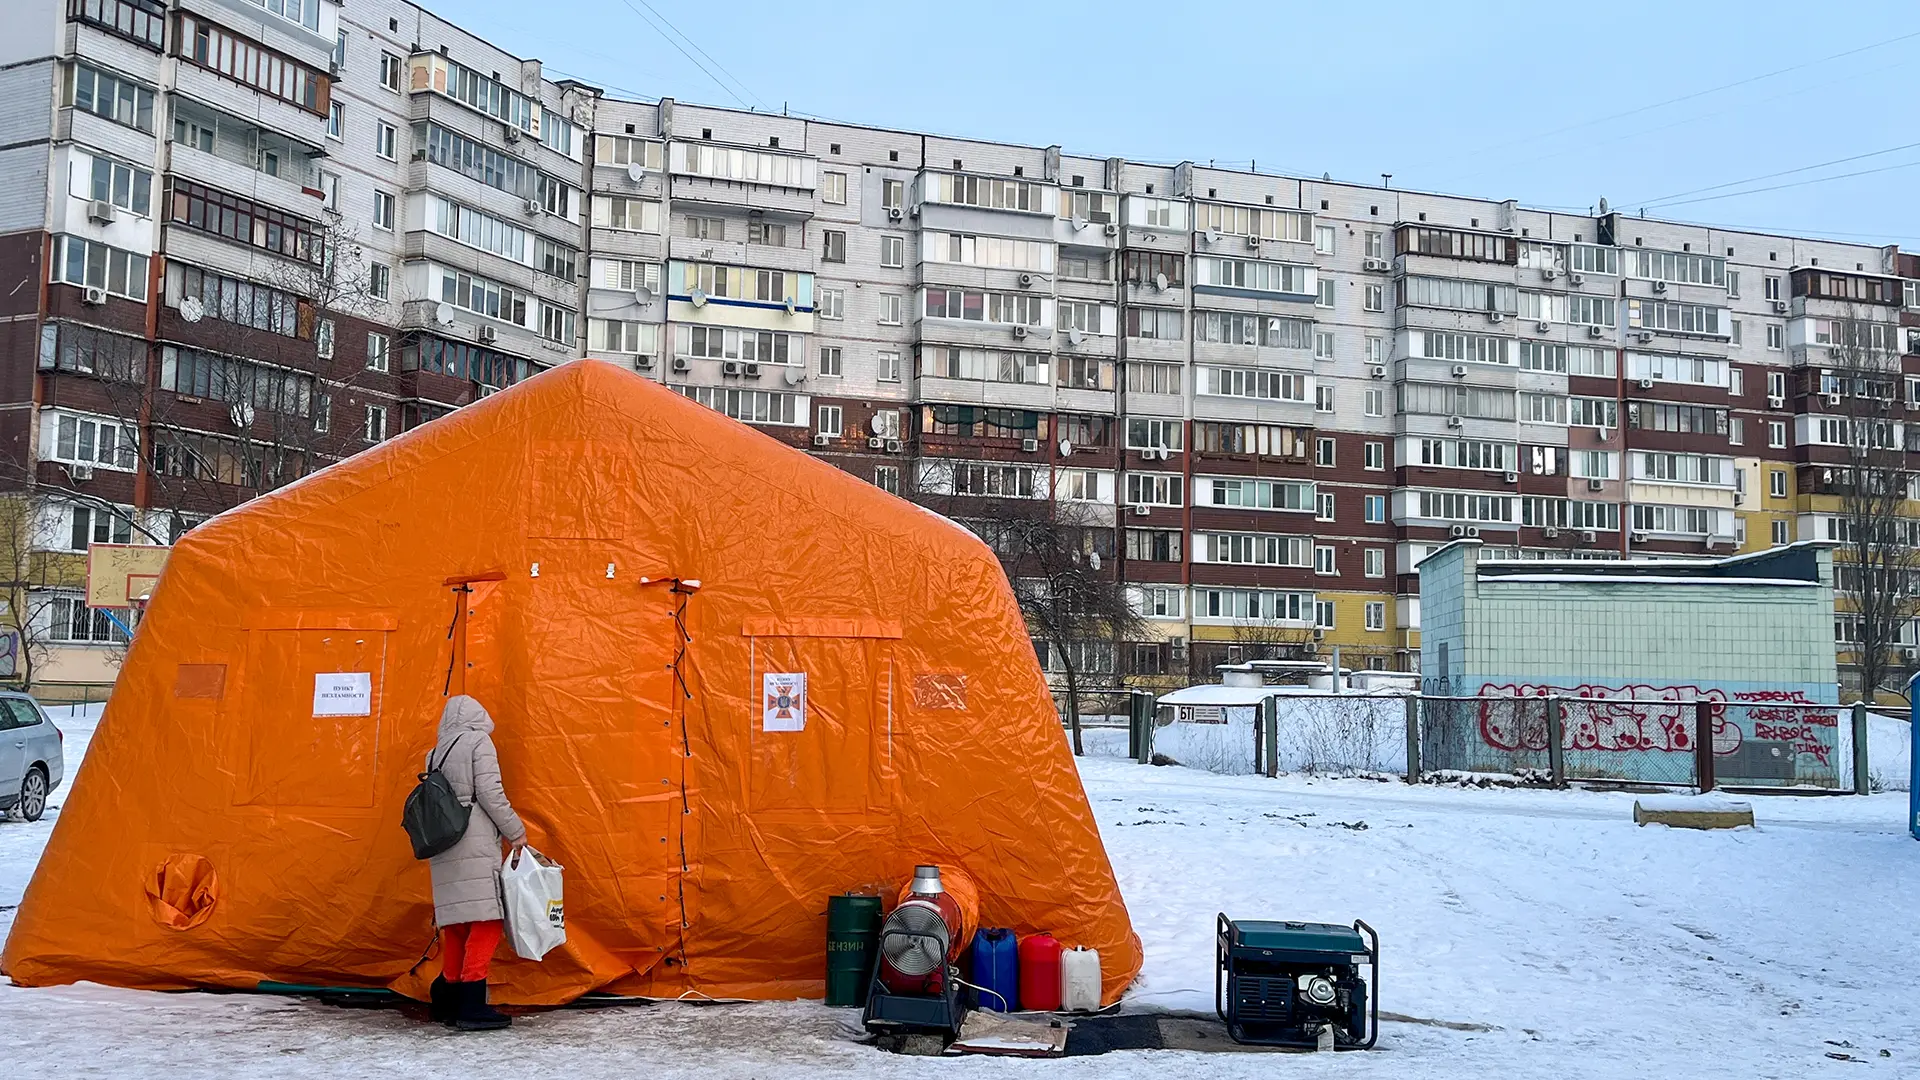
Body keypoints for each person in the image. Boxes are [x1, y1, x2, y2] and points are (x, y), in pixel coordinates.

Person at [425, 695, 527, 1031]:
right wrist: (516, 831)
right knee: (486, 920)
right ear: (478, 716)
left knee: (457, 924)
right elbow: (490, 791)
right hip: (474, 841)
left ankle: (449, 999)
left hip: (444, 844)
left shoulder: (435, 752)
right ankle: (471, 1004)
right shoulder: (477, 741)